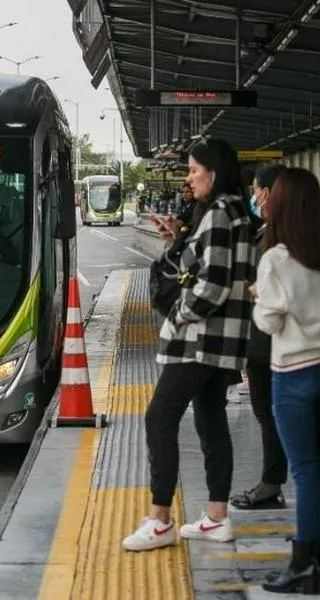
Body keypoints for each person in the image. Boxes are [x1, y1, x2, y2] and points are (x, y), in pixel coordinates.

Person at [123, 138, 256, 552]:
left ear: (213, 173)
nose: (189, 177)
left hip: (199, 340)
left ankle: (159, 518)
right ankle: (217, 517)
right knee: (210, 420)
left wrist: (181, 314)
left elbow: (212, 284)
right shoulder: (236, 212)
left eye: (194, 170)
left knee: (159, 418)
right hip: (223, 342)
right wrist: (177, 240)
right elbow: (209, 268)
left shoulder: (217, 213)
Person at [252, 167, 320, 594]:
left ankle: (304, 563)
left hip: (292, 375)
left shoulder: (276, 259)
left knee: (307, 469)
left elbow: (269, 321)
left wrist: (260, 297)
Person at [230, 164, 288, 510]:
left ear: (267, 192)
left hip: (269, 343)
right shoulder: (274, 230)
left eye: (256, 190)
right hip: (268, 343)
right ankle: (272, 479)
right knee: (269, 414)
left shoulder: (278, 237)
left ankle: (271, 482)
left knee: (269, 414)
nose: (253, 196)